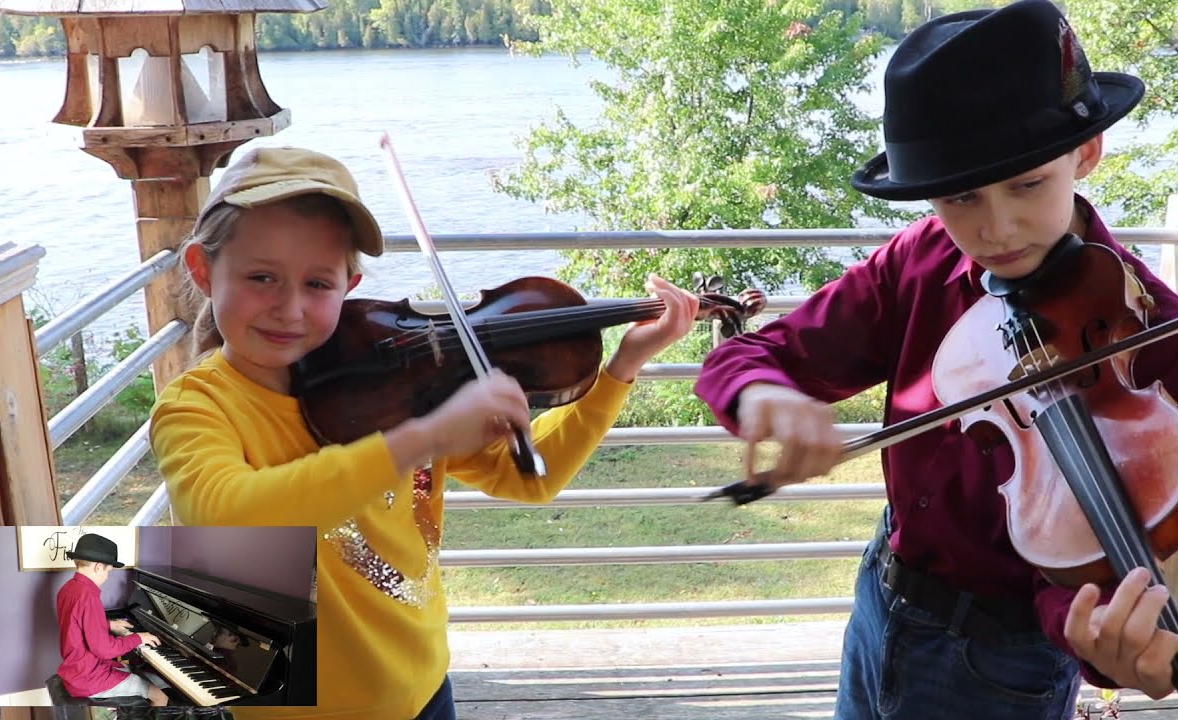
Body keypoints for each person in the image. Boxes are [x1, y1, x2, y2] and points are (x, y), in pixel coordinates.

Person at [693, 2, 1178, 718]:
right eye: (960, 195)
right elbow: (758, 353)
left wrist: (1096, 634)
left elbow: (1085, 566)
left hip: (1002, 667)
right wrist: (765, 394)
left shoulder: (1168, 343)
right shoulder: (923, 257)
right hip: (881, 602)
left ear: (1086, 154)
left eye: (1028, 185)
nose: (994, 228)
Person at [148, 145, 700, 720]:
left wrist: (620, 369)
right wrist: (424, 438)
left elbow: (530, 481)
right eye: (262, 277)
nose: (289, 308)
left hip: (423, 690)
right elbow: (229, 513)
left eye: (317, 284)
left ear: (350, 283)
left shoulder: (398, 381)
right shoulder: (198, 407)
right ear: (204, 270)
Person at [56, 533, 168, 708]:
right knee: (161, 697)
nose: (108, 576)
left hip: (76, 670)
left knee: (137, 672)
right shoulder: (89, 597)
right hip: (89, 678)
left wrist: (109, 624)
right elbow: (104, 650)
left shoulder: (68, 589)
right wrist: (139, 638)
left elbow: (76, 624)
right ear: (99, 567)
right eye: (109, 571)